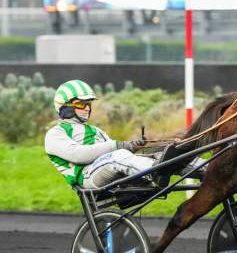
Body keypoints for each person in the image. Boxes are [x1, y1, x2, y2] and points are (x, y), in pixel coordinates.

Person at [45, 79, 203, 189]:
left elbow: (114, 152)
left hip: (105, 169)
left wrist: (134, 148)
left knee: (164, 152)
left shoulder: (96, 131)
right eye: (80, 104)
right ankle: (155, 173)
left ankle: (210, 171)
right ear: (65, 106)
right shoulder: (55, 134)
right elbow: (78, 155)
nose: (87, 108)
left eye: (88, 104)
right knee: (119, 155)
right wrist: (119, 146)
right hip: (86, 177)